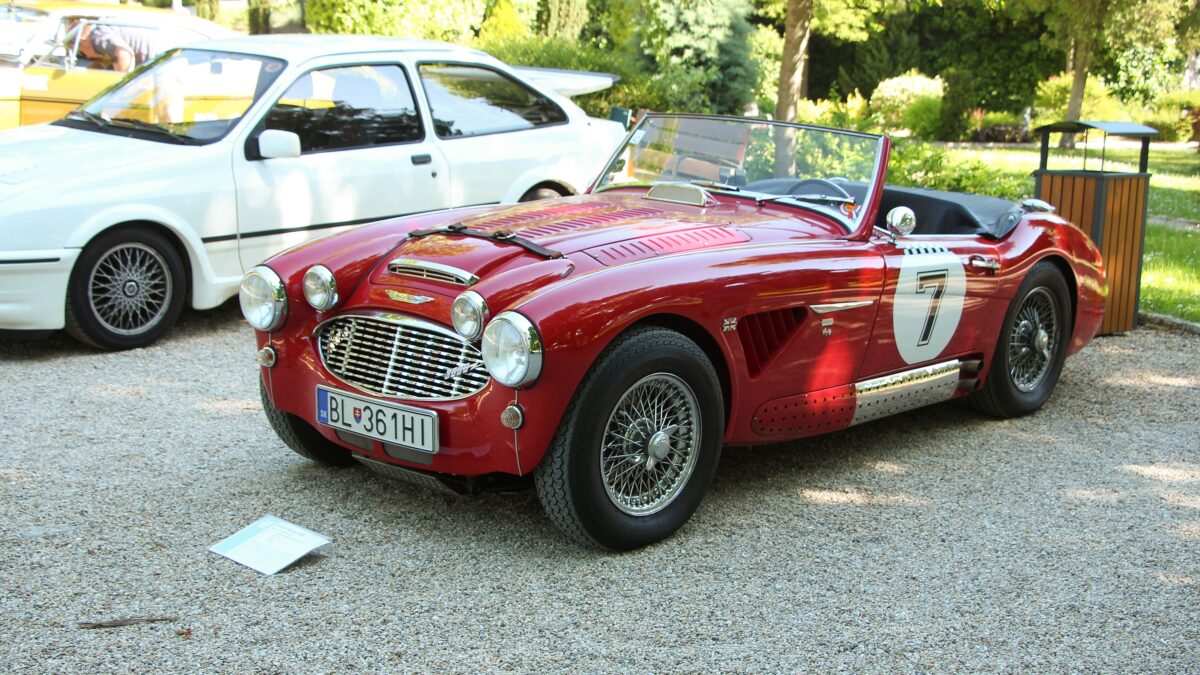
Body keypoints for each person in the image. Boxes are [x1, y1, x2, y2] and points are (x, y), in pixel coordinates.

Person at [75, 22, 162, 73]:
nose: (87, 57)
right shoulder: (101, 35)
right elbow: (100, 65)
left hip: (157, 61)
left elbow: (124, 54)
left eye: (82, 52)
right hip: (155, 59)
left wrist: (121, 87)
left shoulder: (96, 37)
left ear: (83, 41)